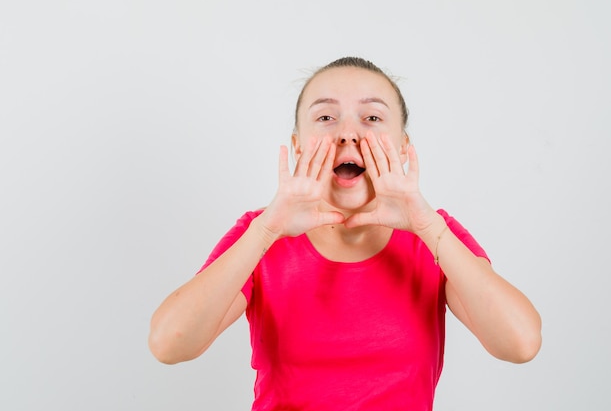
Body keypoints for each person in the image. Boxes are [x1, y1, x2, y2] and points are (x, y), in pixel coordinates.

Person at [148, 57, 542, 410]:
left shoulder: (434, 236)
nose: (347, 134)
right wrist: (267, 230)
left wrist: (426, 226)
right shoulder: (261, 233)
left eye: (372, 118)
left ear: (403, 147)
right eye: (325, 118)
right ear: (298, 145)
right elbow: (170, 344)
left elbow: (520, 343)